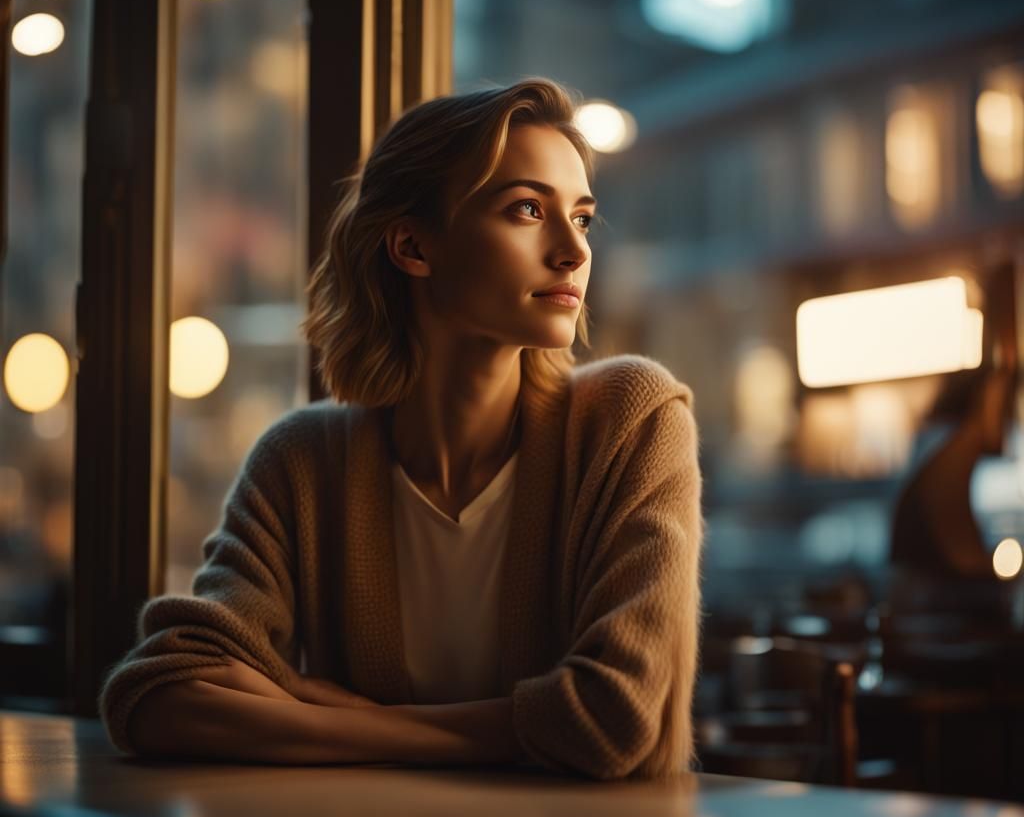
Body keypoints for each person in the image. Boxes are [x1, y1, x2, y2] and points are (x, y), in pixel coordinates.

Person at [98, 77, 705, 781]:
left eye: (583, 217)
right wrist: (458, 733)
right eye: (528, 209)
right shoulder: (304, 462)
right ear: (413, 246)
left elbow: (613, 718)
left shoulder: (631, 420)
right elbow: (155, 693)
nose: (573, 250)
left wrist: (349, 721)